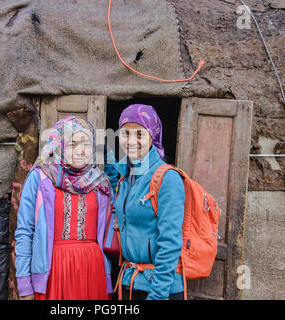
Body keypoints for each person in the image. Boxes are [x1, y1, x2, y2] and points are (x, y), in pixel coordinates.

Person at [14, 116, 113, 300]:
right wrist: (25, 285)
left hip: (92, 273)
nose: (80, 151)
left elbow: (108, 234)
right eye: (72, 144)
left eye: (86, 144)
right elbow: (24, 232)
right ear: (58, 144)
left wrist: (108, 280)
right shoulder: (40, 177)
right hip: (52, 272)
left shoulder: (102, 183)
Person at [104, 104, 185, 300]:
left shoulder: (167, 178)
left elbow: (170, 243)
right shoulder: (124, 179)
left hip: (158, 288)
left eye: (139, 134)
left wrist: (158, 295)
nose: (131, 141)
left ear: (153, 136)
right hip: (127, 283)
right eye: (125, 134)